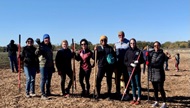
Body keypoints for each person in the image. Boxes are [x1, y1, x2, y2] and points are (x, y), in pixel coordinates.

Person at [94, 35, 116, 100]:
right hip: (101, 66)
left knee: (109, 80)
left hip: (109, 67)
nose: (104, 41)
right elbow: (94, 58)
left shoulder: (110, 48)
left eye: (105, 40)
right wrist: (95, 52)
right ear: (100, 41)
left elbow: (114, 57)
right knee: (98, 80)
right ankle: (98, 94)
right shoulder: (98, 48)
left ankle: (109, 94)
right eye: (102, 40)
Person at [124, 38, 144, 105]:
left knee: (138, 84)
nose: (132, 44)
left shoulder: (139, 51)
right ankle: (134, 98)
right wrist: (130, 64)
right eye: (131, 43)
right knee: (133, 85)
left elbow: (142, 60)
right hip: (130, 70)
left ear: (135, 43)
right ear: (129, 44)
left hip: (137, 70)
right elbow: (125, 61)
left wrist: (138, 62)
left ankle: (139, 98)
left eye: (133, 43)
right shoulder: (127, 51)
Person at [35, 34, 55, 99]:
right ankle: (43, 94)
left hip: (50, 65)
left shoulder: (50, 46)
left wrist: (53, 66)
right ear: (43, 39)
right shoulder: (41, 46)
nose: (47, 39)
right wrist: (39, 46)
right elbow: (37, 53)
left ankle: (48, 92)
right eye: (45, 38)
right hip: (43, 65)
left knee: (48, 79)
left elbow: (51, 57)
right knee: (43, 79)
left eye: (48, 38)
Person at [148, 41, 167, 108]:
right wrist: (147, 56)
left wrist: (150, 64)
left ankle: (164, 102)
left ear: (160, 46)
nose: (156, 47)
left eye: (157, 45)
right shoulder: (151, 53)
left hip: (159, 73)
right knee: (155, 89)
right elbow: (147, 60)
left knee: (160, 88)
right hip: (152, 73)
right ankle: (156, 101)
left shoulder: (162, 54)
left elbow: (159, 64)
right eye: (155, 46)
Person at [114, 31, 130, 99]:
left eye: (122, 35)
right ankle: (118, 92)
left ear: (124, 35)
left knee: (126, 79)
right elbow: (114, 53)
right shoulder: (116, 43)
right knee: (117, 79)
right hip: (118, 64)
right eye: (119, 35)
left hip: (125, 64)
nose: (121, 36)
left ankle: (127, 93)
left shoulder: (128, 42)